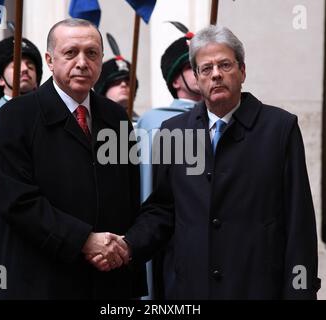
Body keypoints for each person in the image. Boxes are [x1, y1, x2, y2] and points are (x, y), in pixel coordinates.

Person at [95, 25, 321, 299]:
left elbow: (299, 223)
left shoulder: (279, 128)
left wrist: (300, 292)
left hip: (256, 289)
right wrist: (128, 245)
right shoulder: (173, 131)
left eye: (225, 64)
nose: (216, 74)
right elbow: (162, 211)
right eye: (205, 68)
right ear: (198, 79)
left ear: (242, 71)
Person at [0, 18, 147, 299]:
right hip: (41, 280)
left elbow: (129, 198)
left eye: (92, 53)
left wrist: (121, 249)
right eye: (71, 52)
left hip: (106, 280)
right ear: (50, 60)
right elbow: (18, 202)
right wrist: (84, 241)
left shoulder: (115, 117)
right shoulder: (16, 117)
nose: (82, 62)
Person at [136, 24, 202, 299]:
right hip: (174, 243)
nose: (204, 71)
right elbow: (150, 195)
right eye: (194, 66)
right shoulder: (155, 123)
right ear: (176, 80)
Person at [0, 39, 42, 300]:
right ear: (0, 79)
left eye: (30, 64)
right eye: (16, 64)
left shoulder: (55, 116)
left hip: (45, 238)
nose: (25, 68)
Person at [94, 38, 139, 123]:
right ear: (103, 90)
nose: (123, 84)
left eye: (128, 81)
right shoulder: (91, 124)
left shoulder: (143, 125)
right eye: (116, 82)